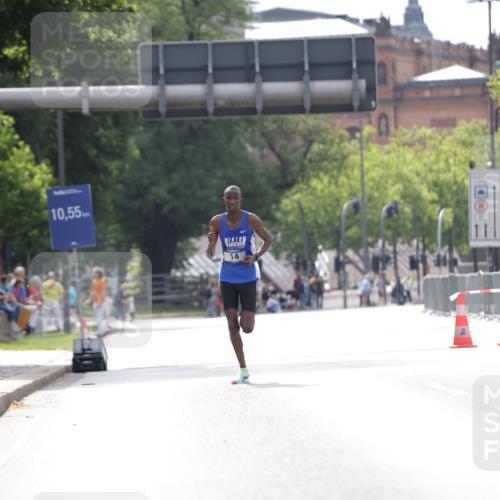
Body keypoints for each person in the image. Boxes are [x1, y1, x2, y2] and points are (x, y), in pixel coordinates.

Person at [206, 185, 272, 385]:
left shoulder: (251, 219)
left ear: (241, 200)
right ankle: (243, 369)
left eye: (235, 198)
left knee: (247, 327)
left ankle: (247, 313)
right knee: (232, 324)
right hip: (227, 276)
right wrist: (210, 244)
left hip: (248, 276)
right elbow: (210, 255)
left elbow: (268, 239)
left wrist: (256, 256)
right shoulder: (217, 222)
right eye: (228, 198)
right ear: (224, 200)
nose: (231, 201)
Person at [90, 267, 110, 336]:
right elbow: (93, 291)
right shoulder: (94, 281)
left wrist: (99, 301)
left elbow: (102, 292)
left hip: (100, 302)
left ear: (98, 274)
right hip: (95, 301)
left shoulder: (102, 281)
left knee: (99, 317)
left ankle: (101, 331)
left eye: (95, 273)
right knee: (97, 317)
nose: (93, 274)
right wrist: (89, 300)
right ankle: (104, 329)